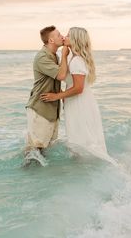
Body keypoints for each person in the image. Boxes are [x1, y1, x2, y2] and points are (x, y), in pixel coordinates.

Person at [41, 27, 115, 164]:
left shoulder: (76, 61)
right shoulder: (75, 58)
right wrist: (63, 55)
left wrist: (56, 96)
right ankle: (87, 168)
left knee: (81, 137)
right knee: (82, 135)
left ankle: (87, 167)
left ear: (75, 39)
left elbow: (78, 88)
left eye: (68, 35)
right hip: (79, 102)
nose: (64, 37)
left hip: (79, 103)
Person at [25, 25, 69, 166]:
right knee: (34, 151)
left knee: (43, 151)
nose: (62, 37)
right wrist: (64, 54)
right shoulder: (42, 57)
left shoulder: (54, 56)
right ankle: (26, 181)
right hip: (40, 109)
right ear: (51, 40)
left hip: (50, 109)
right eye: (58, 35)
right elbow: (61, 75)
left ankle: (39, 183)